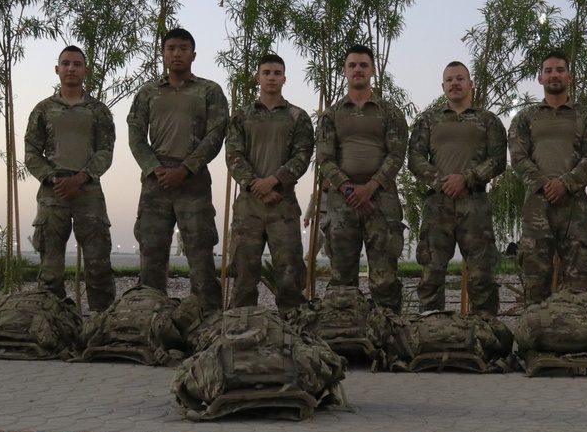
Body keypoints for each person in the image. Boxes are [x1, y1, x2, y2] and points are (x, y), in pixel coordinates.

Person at [127, 28, 229, 312]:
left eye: (183, 48)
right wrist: (154, 168)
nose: (177, 53)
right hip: (155, 183)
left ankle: (207, 317)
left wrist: (186, 168)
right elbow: (135, 135)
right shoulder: (148, 93)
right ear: (162, 54)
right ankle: (149, 315)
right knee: (152, 253)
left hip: (193, 183)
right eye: (171, 48)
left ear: (193, 54)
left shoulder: (209, 91)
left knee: (200, 253)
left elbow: (216, 135)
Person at [408, 61, 506, 314]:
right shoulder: (428, 121)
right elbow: (415, 159)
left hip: (474, 205)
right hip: (437, 205)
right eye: (449, 79)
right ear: (443, 86)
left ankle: (486, 334)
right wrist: (442, 182)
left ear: (470, 84)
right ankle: (431, 330)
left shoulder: (489, 121)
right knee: (432, 273)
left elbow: (497, 160)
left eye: (460, 78)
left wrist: (467, 179)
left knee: (480, 275)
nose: (455, 83)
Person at [24, 45, 116, 312]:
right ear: (57, 70)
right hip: (53, 193)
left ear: (86, 70)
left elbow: (106, 151)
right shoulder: (43, 110)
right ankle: (54, 323)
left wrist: (81, 178)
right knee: (50, 269)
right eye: (66, 64)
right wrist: (52, 178)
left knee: (98, 265)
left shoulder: (98, 111)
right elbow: (31, 151)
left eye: (77, 64)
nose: (71, 69)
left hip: (88, 192)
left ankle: (102, 323)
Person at [509, 51, 587, 305]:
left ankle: (577, 333)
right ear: (540, 78)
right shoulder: (525, 118)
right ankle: (534, 333)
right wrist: (543, 184)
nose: (554, 75)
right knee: (535, 272)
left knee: (577, 271)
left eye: (560, 70)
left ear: (569, 77)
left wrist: (566, 183)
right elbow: (518, 156)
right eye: (549, 71)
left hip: (574, 203)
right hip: (537, 204)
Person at [316, 44, 407, 313]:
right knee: (342, 279)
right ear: (345, 71)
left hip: (381, 202)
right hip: (342, 204)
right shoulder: (331, 115)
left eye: (363, 65)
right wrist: (349, 190)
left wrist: (369, 188)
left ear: (373, 71)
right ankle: (344, 340)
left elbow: (396, 155)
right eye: (353, 65)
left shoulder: (390, 113)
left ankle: (388, 334)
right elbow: (325, 158)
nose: (358, 70)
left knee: (385, 278)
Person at [224, 54, 313, 316]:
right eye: (266, 72)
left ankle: (293, 328)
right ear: (258, 77)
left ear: (284, 78)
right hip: (248, 208)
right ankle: (240, 329)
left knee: (289, 275)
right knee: (243, 274)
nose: (271, 77)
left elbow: (302, 155)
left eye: (277, 73)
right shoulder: (242, 117)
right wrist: (254, 185)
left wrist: (274, 182)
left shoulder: (298, 117)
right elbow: (233, 155)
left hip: (282, 206)